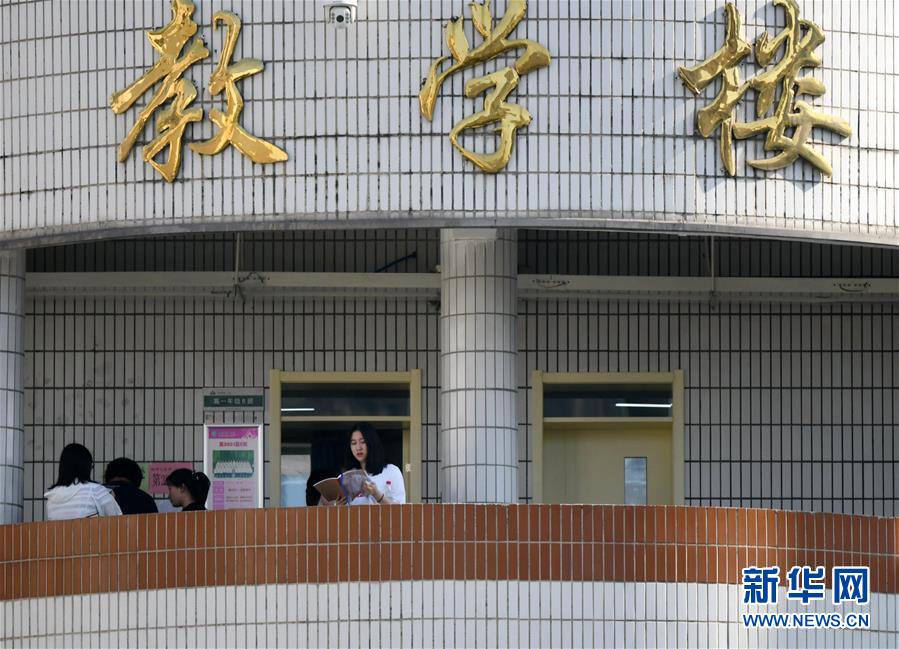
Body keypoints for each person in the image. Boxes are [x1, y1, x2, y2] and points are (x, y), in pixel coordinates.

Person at [45, 443, 122, 520]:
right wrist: (110, 497)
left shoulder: (51, 497)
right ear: (86, 466)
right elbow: (117, 521)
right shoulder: (95, 490)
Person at [340, 422, 405, 505]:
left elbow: (401, 509)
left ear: (372, 443)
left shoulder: (392, 471)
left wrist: (377, 495)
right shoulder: (349, 477)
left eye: (363, 442)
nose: (358, 447)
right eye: (354, 443)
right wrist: (336, 505)